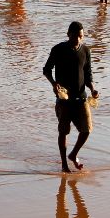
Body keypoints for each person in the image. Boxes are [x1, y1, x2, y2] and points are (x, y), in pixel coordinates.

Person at [43, 21, 97, 172]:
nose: (78, 40)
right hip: (64, 100)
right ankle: (64, 164)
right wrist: (54, 84)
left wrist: (93, 89)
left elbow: (88, 74)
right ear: (68, 34)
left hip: (81, 98)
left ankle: (73, 154)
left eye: (81, 36)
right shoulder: (58, 49)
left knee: (86, 130)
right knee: (63, 132)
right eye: (75, 36)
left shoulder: (86, 51)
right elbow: (47, 70)